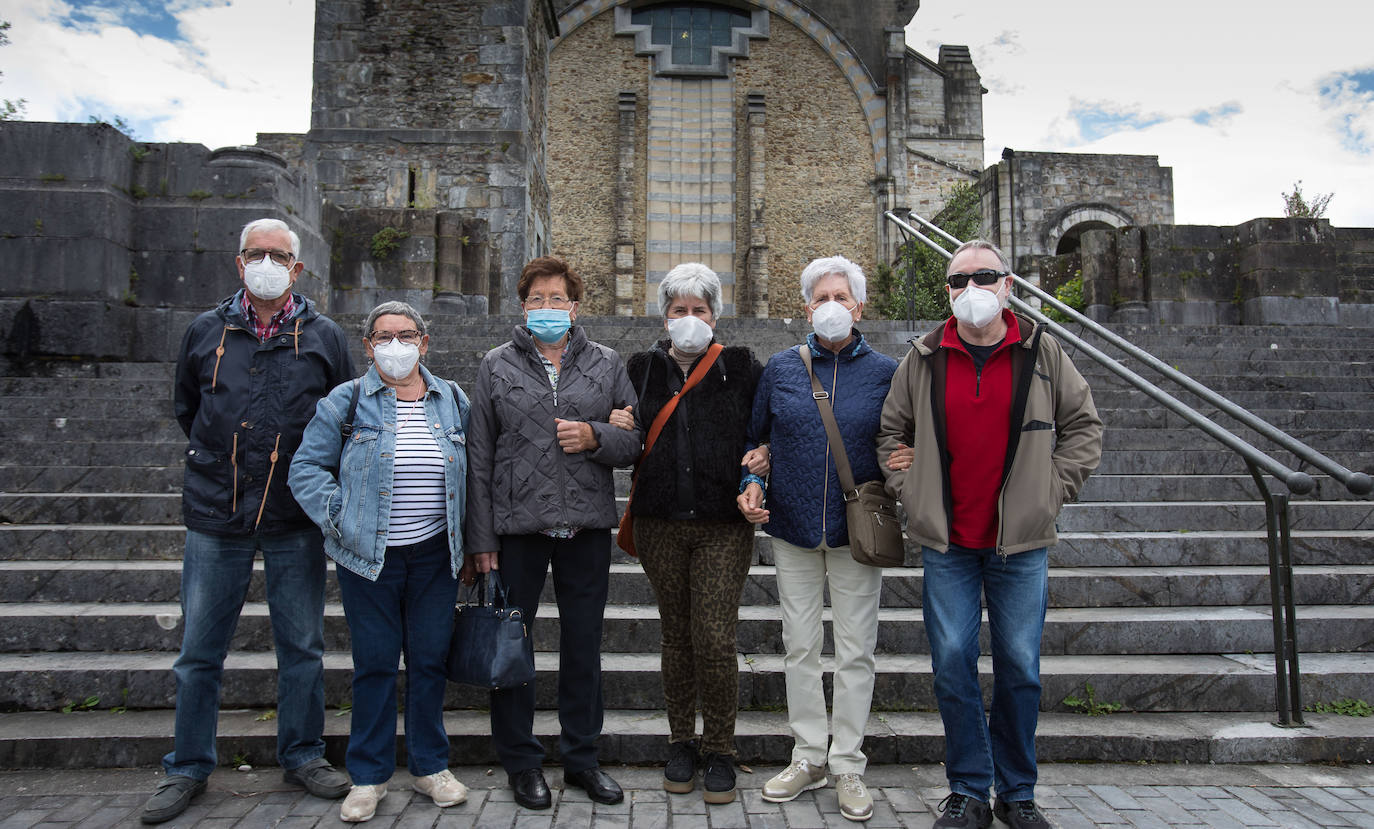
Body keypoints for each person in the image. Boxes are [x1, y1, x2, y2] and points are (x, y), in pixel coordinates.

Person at [878, 240, 1103, 829]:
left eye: (984, 277)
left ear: (1008, 285)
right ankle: (969, 790)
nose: (971, 290)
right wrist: (908, 488)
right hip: (949, 542)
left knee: (1020, 667)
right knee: (952, 664)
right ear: (947, 291)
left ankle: (1017, 792)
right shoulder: (924, 356)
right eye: (958, 281)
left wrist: (1051, 492)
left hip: (1019, 543)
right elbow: (889, 433)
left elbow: (1083, 427)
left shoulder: (1043, 351)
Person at [146, 218, 355, 824]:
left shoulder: (323, 336)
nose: (267, 261)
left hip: (294, 514)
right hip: (216, 511)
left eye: (279, 255)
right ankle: (187, 766)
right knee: (199, 651)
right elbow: (189, 406)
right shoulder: (205, 331)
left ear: (297, 268)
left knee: (303, 647)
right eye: (256, 253)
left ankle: (303, 754)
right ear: (240, 263)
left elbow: (342, 414)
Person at [464, 255, 641, 810]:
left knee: (583, 644)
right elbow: (478, 455)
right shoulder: (496, 365)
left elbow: (633, 443)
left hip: (586, 525)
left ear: (575, 305)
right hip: (517, 527)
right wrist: (481, 538)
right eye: (536, 299)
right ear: (523, 306)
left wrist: (594, 436)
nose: (547, 307)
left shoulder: (607, 364)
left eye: (557, 298)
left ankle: (581, 759)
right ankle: (520, 761)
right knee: (512, 647)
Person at [289, 301, 472, 822]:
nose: (396, 345)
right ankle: (368, 776)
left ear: (424, 343)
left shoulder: (451, 399)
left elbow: (472, 470)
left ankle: (429, 766)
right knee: (374, 665)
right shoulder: (345, 402)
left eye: (407, 335)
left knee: (429, 661)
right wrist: (339, 517)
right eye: (384, 336)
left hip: (436, 554)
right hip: (369, 559)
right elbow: (306, 467)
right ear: (368, 346)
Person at [736, 255, 897, 823]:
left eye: (841, 296)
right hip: (793, 524)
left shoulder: (886, 371)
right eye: (820, 297)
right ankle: (808, 754)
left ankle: (848, 761)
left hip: (857, 531)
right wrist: (753, 480)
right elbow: (757, 441)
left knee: (856, 649)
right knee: (799, 646)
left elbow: (900, 440)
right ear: (806, 307)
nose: (831, 305)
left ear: (860, 305)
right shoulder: (781, 368)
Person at [623, 263, 767, 804]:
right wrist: (618, 428)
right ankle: (682, 740)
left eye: (699, 310)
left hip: (722, 526)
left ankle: (722, 747)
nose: (688, 319)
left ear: (714, 315)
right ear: (665, 316)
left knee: (713, 636)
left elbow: (760, 434)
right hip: (659, 522)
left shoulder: (740, 365)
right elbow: (629, 430)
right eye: (679, 310)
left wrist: (759, 468)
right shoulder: (641, 367)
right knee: (674, 635)